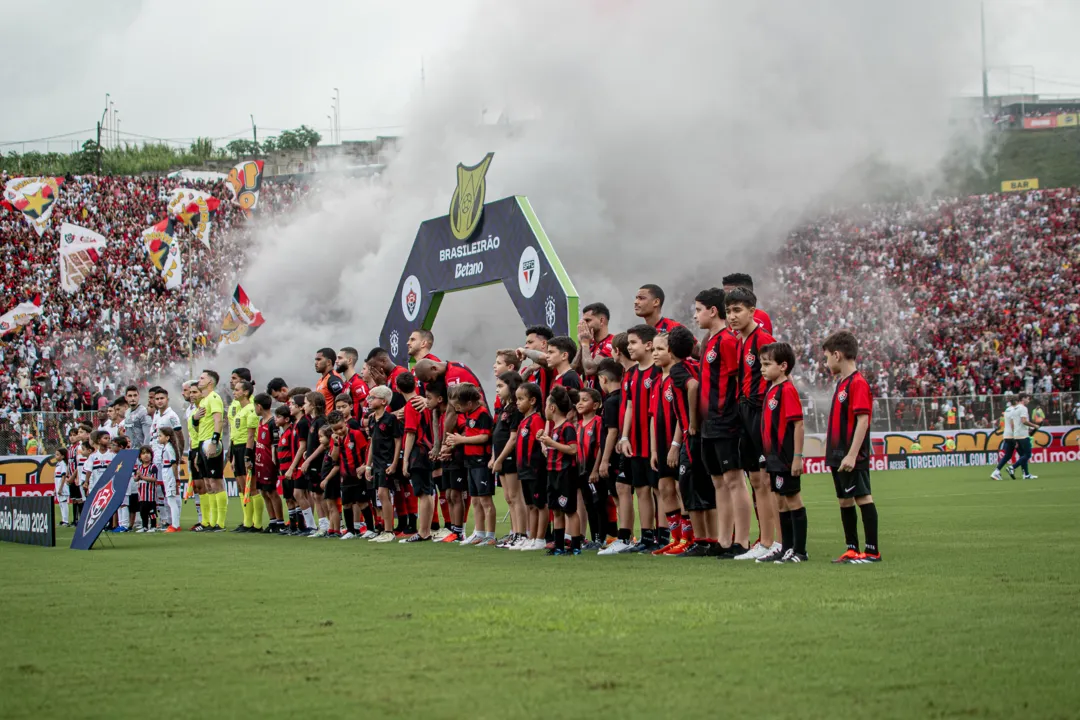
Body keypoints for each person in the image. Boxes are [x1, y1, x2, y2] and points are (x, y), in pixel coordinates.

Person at [726, 287, 781, 561]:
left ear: (751, 310)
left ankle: (778, 541)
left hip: (761, 412)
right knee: (756, 479)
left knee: (769, 479)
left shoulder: (763, 339)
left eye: (737, 310)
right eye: (729, 311)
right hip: (744, 411)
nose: (732, 316)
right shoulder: (739, 341)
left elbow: (777, 380)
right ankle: (765, 540)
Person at [694, 287, 746, 559]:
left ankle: (743, 540)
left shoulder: (727, 340)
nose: (695, 316)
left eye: (698, 310)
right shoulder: (709, 341)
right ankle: (723, 540)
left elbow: (737, 380)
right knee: (718, 483)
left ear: (713, 311)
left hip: (725, 420)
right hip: (708, 423)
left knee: (734, 480)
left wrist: (731, 415)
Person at [823, 331, 880, 564]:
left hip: (851, 456)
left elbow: (863, 420)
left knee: (863, 497)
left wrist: (852, 455)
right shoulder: (842, 383)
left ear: (837, 355)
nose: (826, 363)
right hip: (838, 455)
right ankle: (852, 549)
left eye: (827, 357)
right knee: (844, 500)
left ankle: (872, 551)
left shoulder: (857, 383)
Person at [650, 327, 698, 556]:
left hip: (676, 443)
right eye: (654, 349)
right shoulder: (659, 379)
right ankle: (676, 537)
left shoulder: (679, 377)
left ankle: (690, 538)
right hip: (661, 445)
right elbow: (653, 417)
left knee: (681, 487)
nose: (655, 353)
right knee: (664, 487)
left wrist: (674, 446)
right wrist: (653, 450)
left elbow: (682, 415)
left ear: (672, 351)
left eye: (660, 348)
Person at [759, 342, 808, 563]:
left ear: (783, 366)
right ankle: (786, 547)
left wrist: (798, 457)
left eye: (767, 364)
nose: (763, 368)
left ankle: (800, 551)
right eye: (762, 364)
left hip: (786, 456)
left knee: (792, 499)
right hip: (773, 457)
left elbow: (798, 424)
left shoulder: (787, 390)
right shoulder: (772, 389)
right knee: (779, 501)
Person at [615, 324, 661, 552]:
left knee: (660, 489)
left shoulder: (659, 371)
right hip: (636, 442)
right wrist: (624, 436)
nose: (629, 347)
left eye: (633, 343)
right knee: (641, 489)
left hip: (655, 441)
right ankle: (647, 536)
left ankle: (666, 534)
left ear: (648, 344)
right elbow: (630, 407)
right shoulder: (631, 374)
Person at [445, 383, 496, 546]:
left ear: (469, 403)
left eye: (459, 406)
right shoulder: (469, 414)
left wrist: (461, 439)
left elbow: (484, 437)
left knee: (486, 501)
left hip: (482, 462)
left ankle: (490, 535)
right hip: (471, 462)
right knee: (475, 500)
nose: (457, 409)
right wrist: (453, 443)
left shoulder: (483, 415)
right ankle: (479, 533)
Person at [538, 385, 581, 555]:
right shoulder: (554, 428)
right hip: (552, 472)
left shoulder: (567, 427)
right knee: (555, 510)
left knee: (569, 510)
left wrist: (551, 443)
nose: (545, 409)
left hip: (565, 473)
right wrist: (544, 440)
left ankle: (576, 546)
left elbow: (573, 449)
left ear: (552, 407)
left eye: (546, 405)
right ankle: (559, 545)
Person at [399, 372, 435, 543]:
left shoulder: (411, 405)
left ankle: (423, 532)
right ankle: (426, 530)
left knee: (422, 493)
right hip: (427, 449)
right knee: (428, 492)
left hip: (418, 452)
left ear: (398, 389)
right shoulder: (423, 402)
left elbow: (411, 433)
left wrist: (405, 460)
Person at [365, 385, 402, 543]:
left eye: (372, 398)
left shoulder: (391, 419)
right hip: (377, 462)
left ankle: (389, 530)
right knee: (378, 495)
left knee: (383, 494)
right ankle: (384, 529)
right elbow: (373, 442)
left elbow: (398, 440)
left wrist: (394, 463)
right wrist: (368, 465)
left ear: (383, 401)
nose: (369, 400)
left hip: (387, 461)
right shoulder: (372, 419)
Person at [492, 371, 525, 548]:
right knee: (508, 497)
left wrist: (499, 459)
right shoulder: (505, 408)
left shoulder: (515, 410)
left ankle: (521, 533)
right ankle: (514, 532)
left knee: (515, 496)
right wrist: (494, 458)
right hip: (501, 458)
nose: (497, 390)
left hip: (510, 457)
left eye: (500, 386)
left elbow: (513, 438)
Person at [514, 382, 548, 551]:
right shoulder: (523, 421)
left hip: (535, 469)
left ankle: (540, 538)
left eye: (521, 399)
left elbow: (542, 442)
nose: (517, 402)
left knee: (540, 504)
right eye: (516, 399)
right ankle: (531, 536)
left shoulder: (536, 420)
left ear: (533, 400)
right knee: (530, 505)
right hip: (524, 470)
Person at [330, 408, 373, 540]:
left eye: (341, 428)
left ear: (345, 422)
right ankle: (350, 530)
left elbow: (366, 451)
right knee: (346, 503)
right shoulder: (335, 440)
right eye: (335, 429)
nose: (339, 431)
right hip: (345, 476)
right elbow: (334, 457)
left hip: (358, 474)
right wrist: (336, 443)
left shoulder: (356, 435)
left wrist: (365, 466)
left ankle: (371, 529)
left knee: (362, 502)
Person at [595, 359, 625, 546]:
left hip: (615, 455)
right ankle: (623, 535)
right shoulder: (622, 397)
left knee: (619, 496)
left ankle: (624, 535)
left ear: (603, 379)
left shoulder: (612, 401)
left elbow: (612, 431)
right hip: (620, 453)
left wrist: (604, 460)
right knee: (619, 496)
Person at [193, 370, 226, 532]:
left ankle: (220, 523)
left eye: (202, 378)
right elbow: (200, 424)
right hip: (202, 443)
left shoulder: (214, 398)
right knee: (207, 483)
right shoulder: (204, 400)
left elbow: (218, 420)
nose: (199, 380)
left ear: (210, 382)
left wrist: (214, 441)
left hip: (210, 443)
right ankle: (212, 522)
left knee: (216, 482)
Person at [228, 380, 260, 532]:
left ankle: (257, 523)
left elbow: (250, 435)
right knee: (242, 486)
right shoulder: (239, 410)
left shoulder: (250, 410)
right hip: (237, 448)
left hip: (247, 449)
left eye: (237, 390)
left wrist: (248, 455)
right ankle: (247, 522)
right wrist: (233, 456)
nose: (234, 392)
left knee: (252, 487)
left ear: (246, 392)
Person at [149, 387, 183, 530]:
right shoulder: (157, 414)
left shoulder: (172, 416)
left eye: (162, 398)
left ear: (167, 399)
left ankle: (175, 521)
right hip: (159, 457)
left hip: (170, 459)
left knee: (172, 491)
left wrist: (178, 455)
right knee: (161, 491)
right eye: (157, 399)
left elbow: (179, 436)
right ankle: (166, 520)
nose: (159, 401)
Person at [299, 391, 331, 537]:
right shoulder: (312, 421)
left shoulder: (321, 421)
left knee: (320, 494)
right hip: (313, 461)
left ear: (312, 405)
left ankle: (329, 525)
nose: (303, 406)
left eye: (305, 403)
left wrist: (308, 459)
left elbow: (323, 444)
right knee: (315, 494)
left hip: (319, 463)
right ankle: (323, 525)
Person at [576, 387, 604, 548]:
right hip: (581, 471)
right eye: (579, 400)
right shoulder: (579, 424)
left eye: (584, 400)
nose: (580, 403)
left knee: (598, 504)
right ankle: (594, 538)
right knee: (587, 504)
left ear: (595, 405)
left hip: (593, 470)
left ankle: (601, 538)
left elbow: (600, 446)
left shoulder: (598, 422)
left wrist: (595, 469)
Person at [252, 393, 281, 533]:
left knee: (271, 492)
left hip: (269, 463)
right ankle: (272, 520)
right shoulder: (260, 422)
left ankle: (280, 522)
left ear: (259, 406)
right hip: (260, 462)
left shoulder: (272, 423)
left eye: (254, 406)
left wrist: (276, 462)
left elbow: (275, 444)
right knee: (263, 491)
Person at [576, 302, 614, 388]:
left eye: (588, 320)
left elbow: (590, 369)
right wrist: (581, 345)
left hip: (604, 398)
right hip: (590, 398)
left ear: (601, 320)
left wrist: (585, 344)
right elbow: (576, 370)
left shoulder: (612, 342)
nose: (584, 325)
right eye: (583, 321)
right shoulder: (590, 344)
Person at [157, 426, 183, 533]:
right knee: (171, 500)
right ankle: (175, 524)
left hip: (170, 475)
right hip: (167, 474)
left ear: (167, 437)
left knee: (171, 500)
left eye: (160, 436)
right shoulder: (166, 447)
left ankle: (175, 525)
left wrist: (176, 479)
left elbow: (174, 464)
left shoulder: (169, 448)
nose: (158, 438)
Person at [1009, 393, 1040, 480]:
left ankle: (1026, 474)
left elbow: (1012, 424)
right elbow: (1023, 421)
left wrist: (1014, 435)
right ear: (1023, 399)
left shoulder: (1014, 408)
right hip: (1023, 435)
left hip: (1016, 434)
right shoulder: (1023, 408)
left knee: (1023, 455)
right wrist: (1034, 426)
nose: (1028, 400)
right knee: (1028, 454)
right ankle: (1012, 468)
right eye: (1027, 398)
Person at [336, 347, 369, 420]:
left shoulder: (357, 383)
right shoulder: (346, 383)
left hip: (356, 427)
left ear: (349, 360)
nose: (336, 361)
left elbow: (366, 407)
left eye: (340, 358)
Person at [134, 446, 160, 533]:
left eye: (148, 453)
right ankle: (144, 526)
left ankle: (153, 526)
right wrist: (137, 476)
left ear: (151, 455)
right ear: (140, 456)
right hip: (141, 495)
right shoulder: (139, 467)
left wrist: (142, 477)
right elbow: (135, 479)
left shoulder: (153, 467)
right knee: (143, 512)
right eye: (143, 453)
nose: (146, 455)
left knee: (152, 512)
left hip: (150, 495)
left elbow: (154, 479)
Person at [991, 398, 1018, 480]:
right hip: (1012, 435)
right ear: (1016, 402)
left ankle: (996, 472)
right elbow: (1013, 424)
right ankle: (1024, 473)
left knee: (1008, 455)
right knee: (1025, 453)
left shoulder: (1007, 410)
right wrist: (1016, 436)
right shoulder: (1014, 410)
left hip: (1006, 434)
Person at [53, 446, 71, 527]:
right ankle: (63, 520)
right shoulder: (58, 464)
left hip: (62, 487)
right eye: (56, 454)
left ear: (63, 456)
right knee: (60, 504)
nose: (56, 456)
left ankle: (66, 521)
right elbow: (56, 478)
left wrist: (60, 488)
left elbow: (63, 476)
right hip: (58, 486)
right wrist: (55, 488)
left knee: (63, 503)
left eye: (58, 454)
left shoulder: (63, 464)